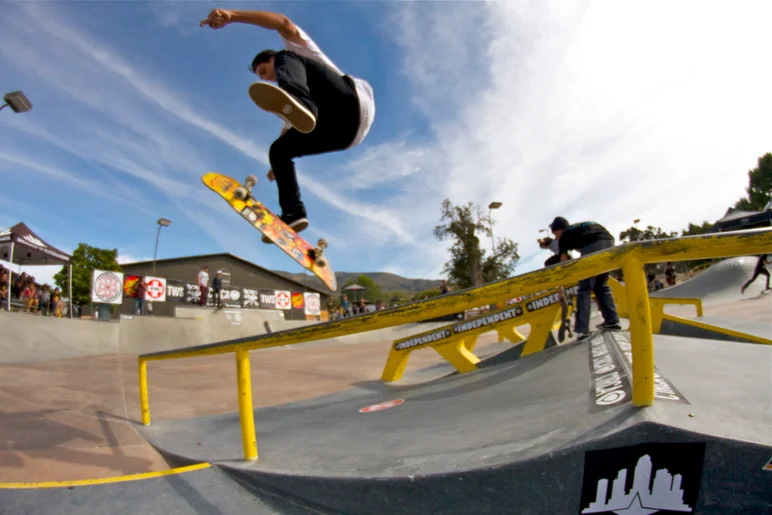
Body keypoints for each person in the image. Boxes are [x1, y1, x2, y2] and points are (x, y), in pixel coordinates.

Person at [200, 9, 376, 237]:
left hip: (350, 103)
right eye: (262, 78)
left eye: (264, 71)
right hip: (345, 135)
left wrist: (232, 16)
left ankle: (305, 104)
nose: (266, 79)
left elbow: (282, 22)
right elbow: (287, 133)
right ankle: (293, 213)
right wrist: (278, 164)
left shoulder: (293, 51)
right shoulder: (290, 111)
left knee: (288, 61)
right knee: (278, 150)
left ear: (270, 59)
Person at [549, 217, 621, 341]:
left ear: (559, 230)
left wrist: (562, 284)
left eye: (555, 234)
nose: (556, 237)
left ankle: (582, 331)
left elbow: (563, 261)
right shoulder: (578, 229)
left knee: (584, 288)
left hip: (593, 245)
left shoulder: (565, 235)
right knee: (600, 285)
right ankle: (612, 321)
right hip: (609, 242)